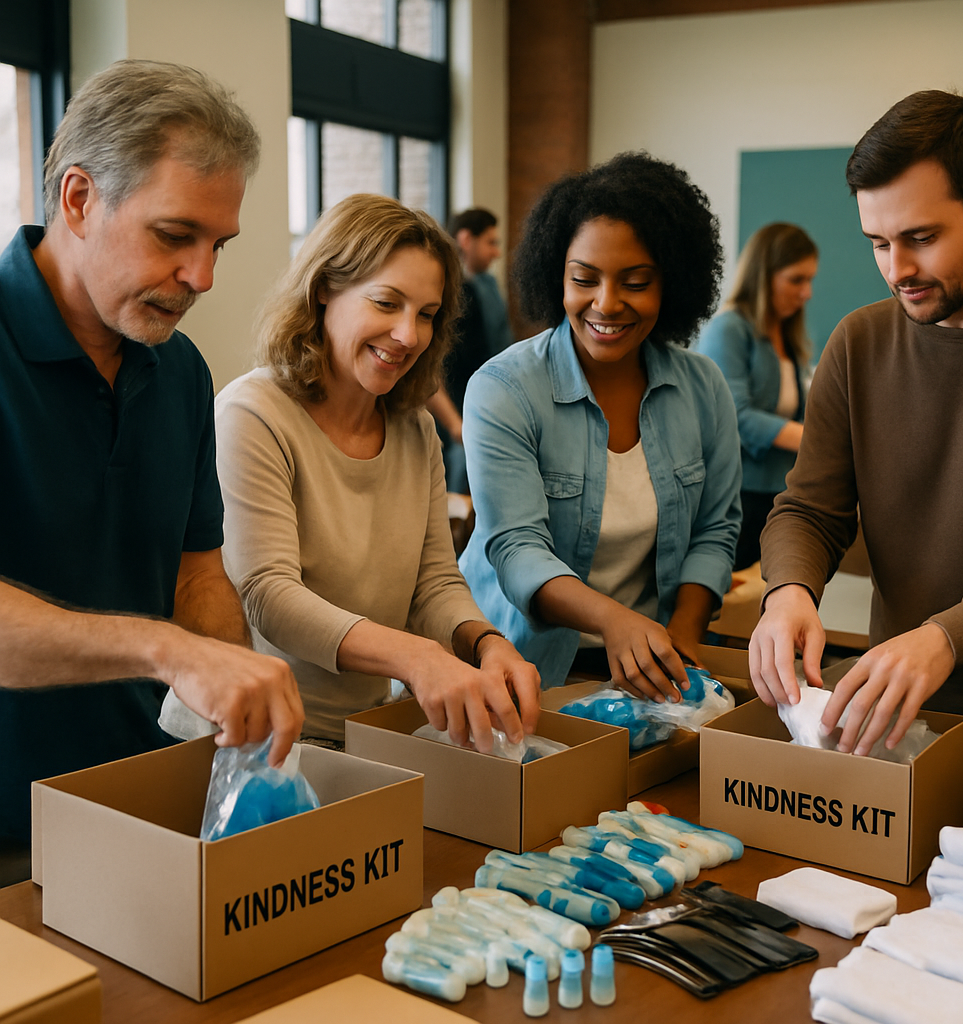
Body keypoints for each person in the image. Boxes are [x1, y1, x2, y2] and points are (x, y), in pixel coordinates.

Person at [0, 60, 304, 850]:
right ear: (78, 199)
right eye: (174, 236)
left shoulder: (179, 371)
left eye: (217, 245)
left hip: (136, 802)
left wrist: (227, 677)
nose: (200, 277)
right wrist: (171, 652)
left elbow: (197, 572)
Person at [161, 194, 541, 752]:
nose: (409, 335)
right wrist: (417, 657)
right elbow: (268, 594)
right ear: (323, 292)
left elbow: (434, 584)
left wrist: (487, 643)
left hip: (362, 733)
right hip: (242, 739)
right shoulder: (253, 411)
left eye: (427, 314)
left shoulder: (414, 429)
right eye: (387, 303)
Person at [749, 90, 963, 798]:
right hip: (893, 726)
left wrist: (947, 637)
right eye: (878, 242)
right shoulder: (859, 343)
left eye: (921, 238)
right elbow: (811, 511)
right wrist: (787, 593)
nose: (896, 268)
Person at [459, 153, 742, 695]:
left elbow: (716, 528)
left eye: (635, 282)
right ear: (556, 275)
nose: (606, 304)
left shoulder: (703, 387)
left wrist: (679, 637)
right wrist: (616, 620)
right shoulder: (504, 388)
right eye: (584, 279)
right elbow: (517, 549)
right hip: (516, 669)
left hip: (645, 668)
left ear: (671, 285)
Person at [696, 223, 818, 569]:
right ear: (764, 275)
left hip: (780, 493)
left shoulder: (786, 335)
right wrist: (816, 439)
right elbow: (735, 413)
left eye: (810, 280)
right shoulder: (728, 328)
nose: (807, 292)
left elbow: (797, 413)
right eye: (797, 279)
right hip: (738, 494)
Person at [426, 207, 514, 494]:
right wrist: (455, 424)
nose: (496, 252)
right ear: (466, 240)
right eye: (491, 242)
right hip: (457, 412)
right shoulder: (450, 294)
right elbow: (433, 367)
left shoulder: (487, 286)